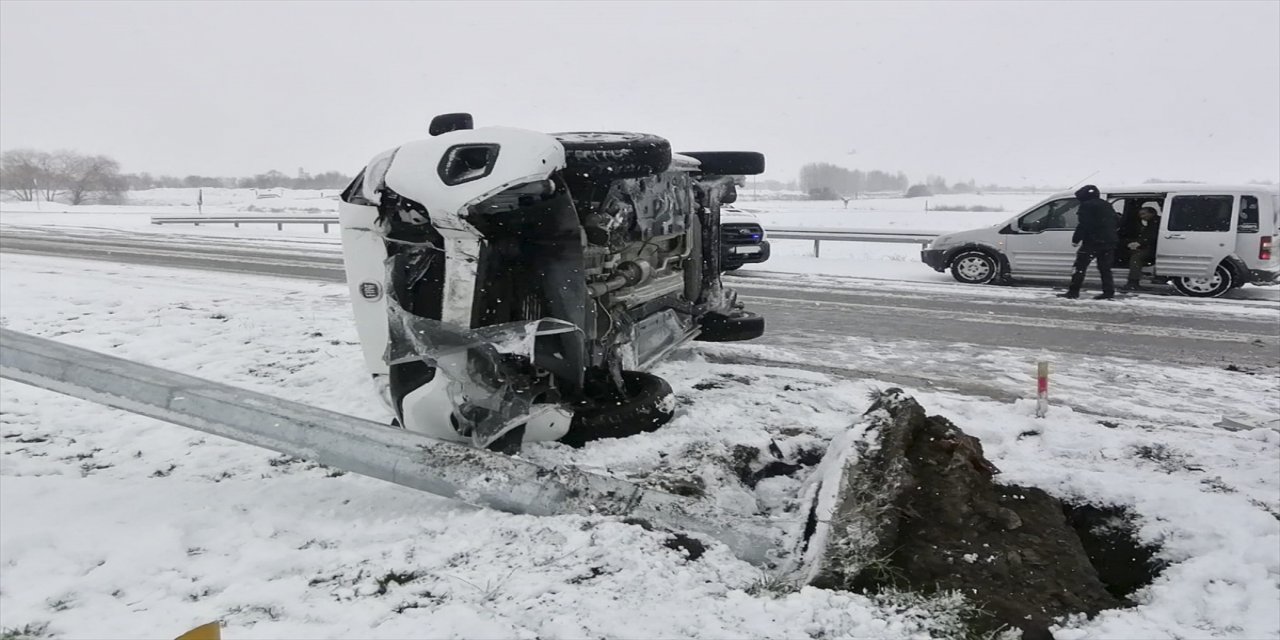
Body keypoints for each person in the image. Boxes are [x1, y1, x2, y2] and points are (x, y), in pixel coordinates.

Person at [1059, 184, 1117, 300]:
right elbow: (1115, 220)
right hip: (1109, 241)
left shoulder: (1086, 206)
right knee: (1105, 268)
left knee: (1080, 267)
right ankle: (1108, 292)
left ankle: (1073, 291)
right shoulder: (1106, 205)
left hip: (1092, 242)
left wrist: (1076, 239)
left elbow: (1084, 224)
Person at [1121, 205, 1160, 291]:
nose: (1142, 216)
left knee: (1136, 258)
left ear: (1152, 213)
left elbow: (1151, 236)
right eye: (1140, 215)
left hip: (1153, 248)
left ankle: (1133, 282)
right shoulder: (1153, 222)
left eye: (1144, 214)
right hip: (1151, 246)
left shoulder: (1155, 223)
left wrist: (1139, 243)